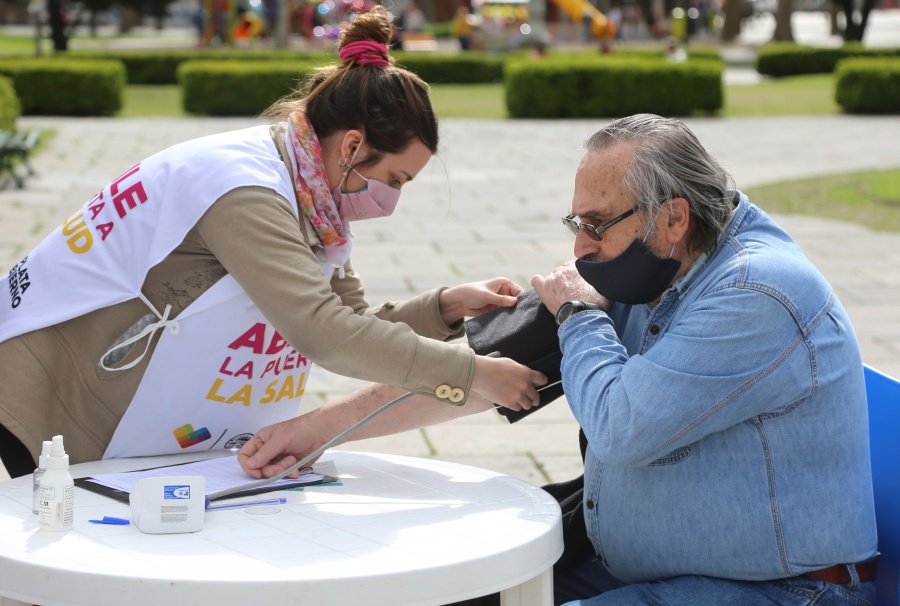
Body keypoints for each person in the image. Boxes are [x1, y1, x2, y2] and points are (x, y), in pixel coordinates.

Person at [239, 114, 878, 606]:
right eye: (577, 221)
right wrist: (318, 431)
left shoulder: (756, 294)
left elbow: (620, 427)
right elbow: (477, 377)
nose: (580, 246)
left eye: (596, 224)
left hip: (776, 591)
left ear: (674, 217)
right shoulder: (648, 259)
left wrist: (577, 315)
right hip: (632, 566)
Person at [0, 8, 546, 479]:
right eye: (396, 180)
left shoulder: (310, 194)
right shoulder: (246, 190)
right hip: (48, 394)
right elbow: (326, 334)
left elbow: (354, 319)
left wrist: (446, 307)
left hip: (114, 402)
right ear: (354, 146)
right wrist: (472, 374)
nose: (391, 201)